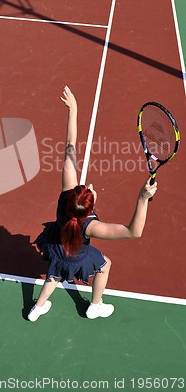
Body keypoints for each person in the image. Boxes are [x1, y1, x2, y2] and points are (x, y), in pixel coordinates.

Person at [28, 85, 157, 322]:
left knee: (54, 276)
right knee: (105, 264)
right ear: (90, 207)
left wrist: (73, 110)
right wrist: (142, 198)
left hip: (57, 246)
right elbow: (133, 232)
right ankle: (94, 306)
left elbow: (70, 149)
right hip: (77, 256)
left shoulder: (65, 196)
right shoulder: (91, 226)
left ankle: (36, 308)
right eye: (90, 192)